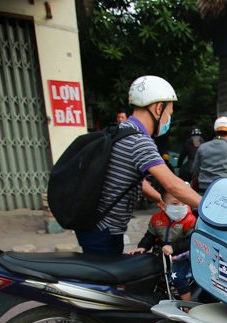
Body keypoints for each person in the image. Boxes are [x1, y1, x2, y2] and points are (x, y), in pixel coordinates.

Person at [75, 75, 201, 255]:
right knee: (107, 281)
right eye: (169, 114)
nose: (168, 120)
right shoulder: (138, 141)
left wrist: (161, 199)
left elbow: (135, 181)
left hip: (94, 224)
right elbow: (172, 184)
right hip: (105, 229)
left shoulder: (118, 131)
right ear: (159, 108)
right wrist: (206, 206)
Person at [128, 189, 196, 301]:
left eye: (184, 202)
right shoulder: (156, 219)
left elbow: (191, 240)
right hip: (161, 255)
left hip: (181, 257)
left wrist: (173, 247)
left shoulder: (190, 220)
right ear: (163, 205)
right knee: (152, 274)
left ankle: (187, 305)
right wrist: (142, 247)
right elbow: (149, 236)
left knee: (177, 277)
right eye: (175, 203)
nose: (180, 206)